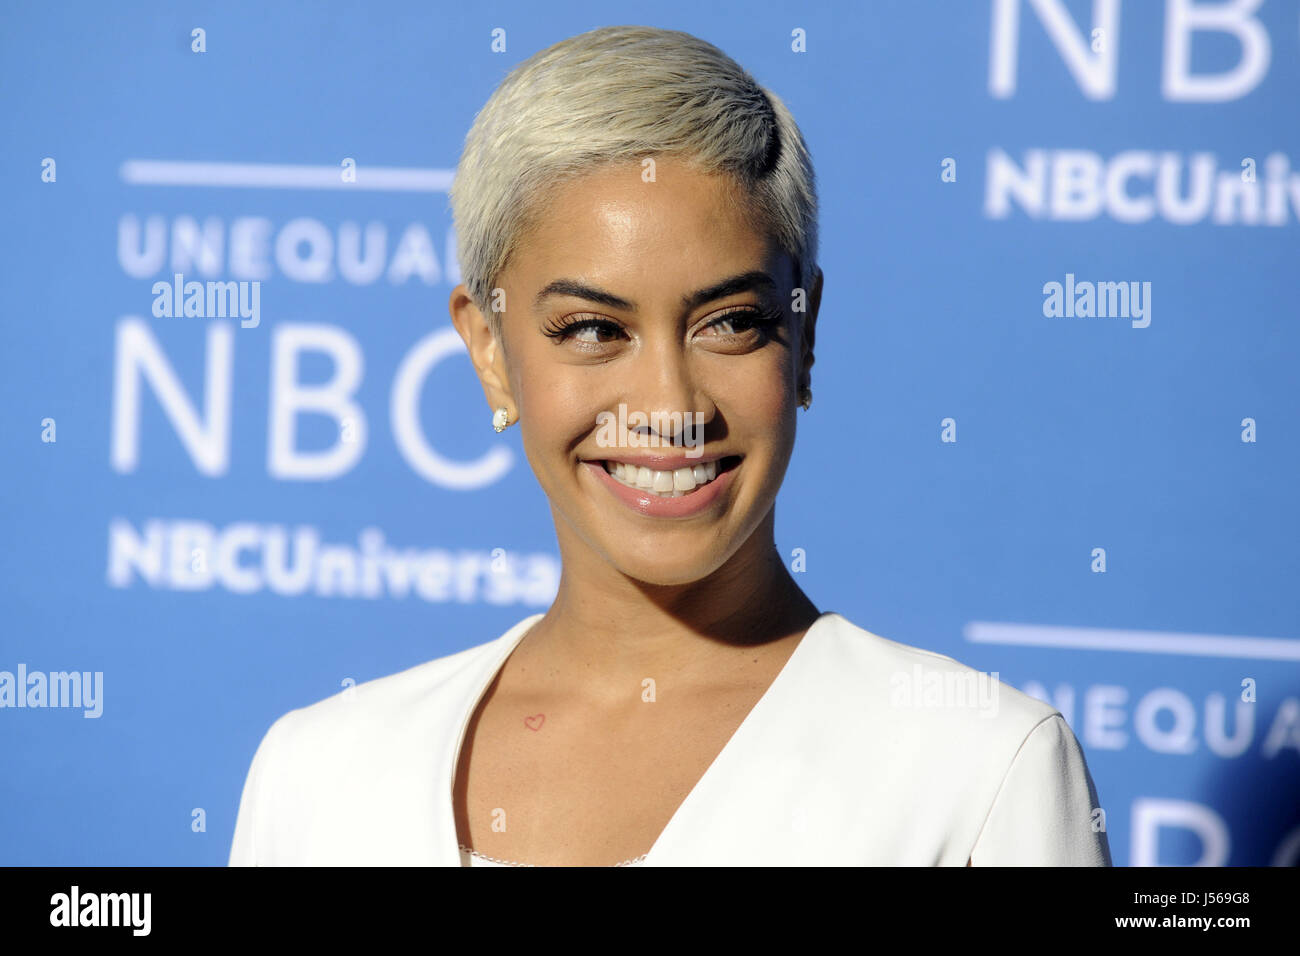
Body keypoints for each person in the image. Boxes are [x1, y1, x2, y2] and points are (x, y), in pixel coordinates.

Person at [229, 24, 1111, 867]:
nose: (669, 405)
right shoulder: (316, 775)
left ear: (804, 335)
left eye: (731, 322)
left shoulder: (981, 770)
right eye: (591, 329)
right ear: (491, 353)